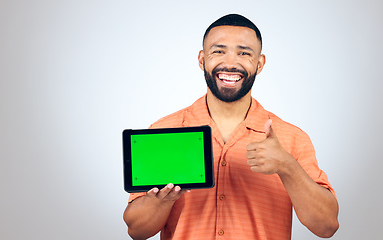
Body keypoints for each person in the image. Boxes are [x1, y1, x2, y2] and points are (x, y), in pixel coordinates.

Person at [123, 14, 339, 240]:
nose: (230, 63)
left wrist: (287, 167)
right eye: (218, 51)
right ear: (201, 59)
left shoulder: (292, 138)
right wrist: (161, 202)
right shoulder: (162, 132)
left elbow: (326, 226)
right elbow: (136, 231)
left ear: (260, 63)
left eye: (244, 53)